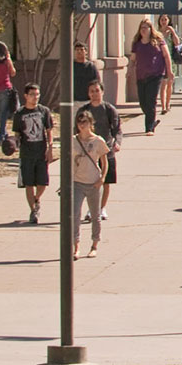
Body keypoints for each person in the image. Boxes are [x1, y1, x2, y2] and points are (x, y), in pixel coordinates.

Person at [66, 107, 108, 257]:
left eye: (84, 122)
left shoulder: (98, 141)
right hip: (77, 182)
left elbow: (104, 161)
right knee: (75, 214)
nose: (81, 125)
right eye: (79, 122)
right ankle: (76, 246)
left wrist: (102, 179)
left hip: (94, 183)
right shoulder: (73, 140)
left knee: (95, 216)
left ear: (91, 123)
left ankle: (94, 245)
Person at [10, 83, 52, 224]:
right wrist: (13, 144)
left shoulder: (44, 111)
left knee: (43, 182)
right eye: (33, 95)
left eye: (37, 94)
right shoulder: (19, 114)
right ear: (26, 96)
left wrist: (50, 148)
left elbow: (49, 130)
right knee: (29, 184)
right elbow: (16, 133)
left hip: (41, 151)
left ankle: (37, 199)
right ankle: (33, 211)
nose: (35, 97)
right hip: (27, 152)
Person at [80, 78, 123, 214]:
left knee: (105, 181)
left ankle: (101, 208)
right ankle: (91, 209)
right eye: (91, 91)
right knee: (89, 182)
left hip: (106, 150)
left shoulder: (109, 109)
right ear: (88, 93)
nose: (94, 94)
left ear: (102, 92)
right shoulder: (84, 110)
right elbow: (77, 130)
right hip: (88, 152)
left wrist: (117, 142)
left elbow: (117, 129)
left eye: (97, 91)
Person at [130, 20, 170, 136]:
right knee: (143, 102)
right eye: (142, 27)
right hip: (141, 75)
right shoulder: (137, 43)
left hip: (156, 74)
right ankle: (152, 120)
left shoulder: (158, 41)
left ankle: (149, 127)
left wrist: (169, 72)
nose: (143, 30)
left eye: (146, 28)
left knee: (151, 100)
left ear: (150, 29)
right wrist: (129, 70)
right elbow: (133, 59)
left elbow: (166, 56)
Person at [159, 20, 182, 119]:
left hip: (171, 60)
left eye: (165, 20)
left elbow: (177, 43)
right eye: (162, 19)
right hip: (160, 60)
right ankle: (163, 106)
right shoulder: (157, 33)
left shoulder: (171, 33)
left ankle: (168, 103)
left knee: (169, 83)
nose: (163, 22)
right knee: (163, 83)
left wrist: (173, 32)